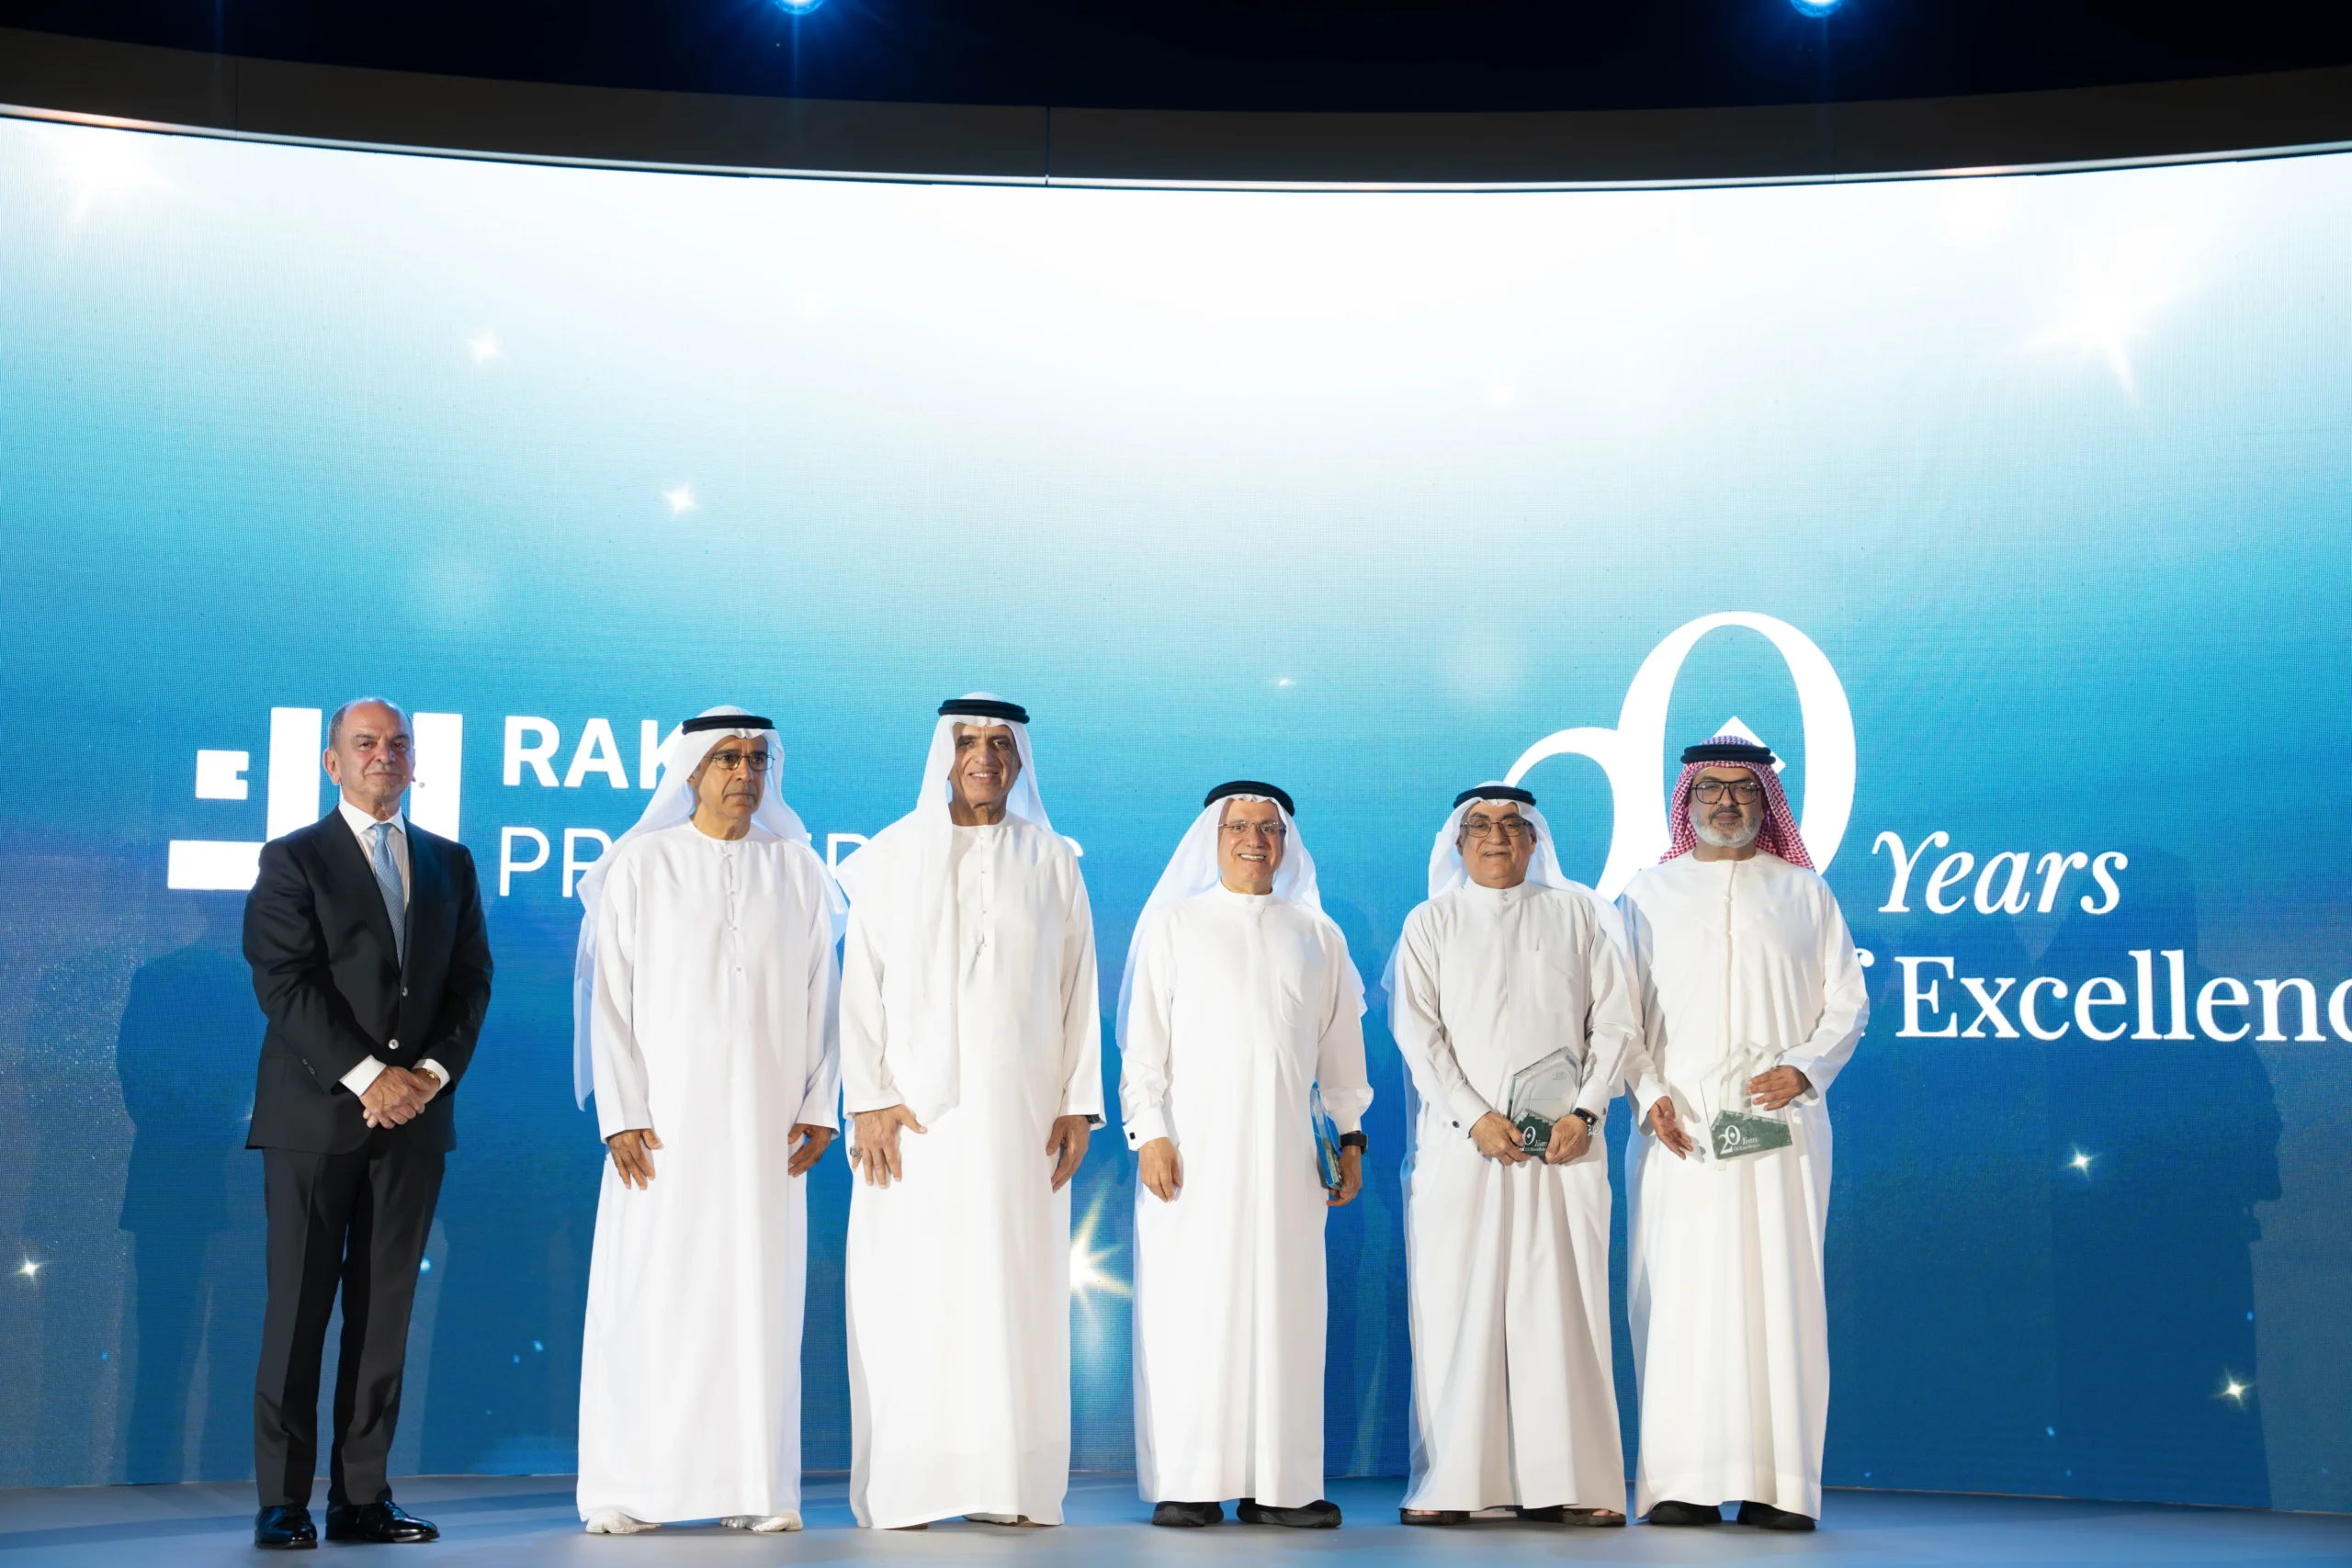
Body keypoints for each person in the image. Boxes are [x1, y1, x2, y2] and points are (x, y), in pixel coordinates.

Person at [571, 708, 843, 1536]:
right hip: (662, 1132)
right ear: (691, 770)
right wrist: (621, 1111)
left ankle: (753, 1486)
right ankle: (632, 1486)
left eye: (756, 758)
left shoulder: (795, 868)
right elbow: (607, 1001)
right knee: (652, 1293)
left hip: (766, 1135)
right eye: (726, 757)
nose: (743, 773)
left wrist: (818, 1102)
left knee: (754, 1300)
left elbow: (821, 997)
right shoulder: (641, 865)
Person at [834, 694, 1102, 1530]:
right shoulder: (888, 856)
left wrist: (1077, 1105)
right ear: (942, 756)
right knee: (911, 1294)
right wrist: (869, 1098)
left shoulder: (1053, 858)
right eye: (968, 742)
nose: (985, 755)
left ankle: (1009, 1485)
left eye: (999, 743)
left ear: (1020, 760)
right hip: (913, 1125)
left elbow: (1078, 986)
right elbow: (860, 987)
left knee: (1012, 1294)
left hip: (1020, 1121)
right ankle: (913, 1486)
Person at [243, 698, 492, 1550]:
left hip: (414, 1123)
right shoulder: (293, 859)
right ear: (332, 762)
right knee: (300, 1312)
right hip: (315, 1120)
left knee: (384, 1315)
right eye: (366, 743)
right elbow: (284, 980)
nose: (384, 755)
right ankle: (283, 1501)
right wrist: (366, 1076)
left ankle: (361, 1497)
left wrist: (423, 1076)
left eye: (397, 744)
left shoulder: (450, 863)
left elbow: (471, 986)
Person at [1618, 736, 1869, 1533]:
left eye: (1743, 791)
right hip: (1681, 1132)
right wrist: (1649, 1093)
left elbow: (1847, 1004)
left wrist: (1805, 1068)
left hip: (1777, 1133)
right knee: (1682, 1297)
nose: (1726, 804)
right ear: (1686, 802)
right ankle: (1681, 1481)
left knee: (1779, 1294)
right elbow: (1619, 1015)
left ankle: (1778, 1482)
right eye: (1711, 791)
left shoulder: (1807, 893)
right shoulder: (1646, 894)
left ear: (1767, 803)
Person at [1119, 782, 1371, 1530]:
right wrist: (1149, 1131)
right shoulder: (1173, 924)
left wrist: (1351, 1137)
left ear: (1286, 842)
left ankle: (1279, 1485)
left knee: (1286, 1313)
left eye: (1269, 827)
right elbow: (1143, 1047)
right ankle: (1191, 1480)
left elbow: (1341, 1054)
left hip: (1289, 1166)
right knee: (1192, 1311)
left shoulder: (1317, 934)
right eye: (1239, 826)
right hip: (1190, 1160)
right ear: (1213, 836)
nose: (1255, 838)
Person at [1387, 784, 1640, 1528]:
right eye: (1480, 826)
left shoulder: (1579, 916)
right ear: (1458, 843)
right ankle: (1457, 1482)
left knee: (1562, 1307)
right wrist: (1475, 1117)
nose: (1497, 838)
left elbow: (1617, 1023)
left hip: (1566, 1148)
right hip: (1465, 1150)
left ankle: (1574, 1480)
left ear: (1535, 841)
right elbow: (1417, 1033)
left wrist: (1588, 1108)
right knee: (1458, 1307)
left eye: (1512, 825)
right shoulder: (1429, 923)